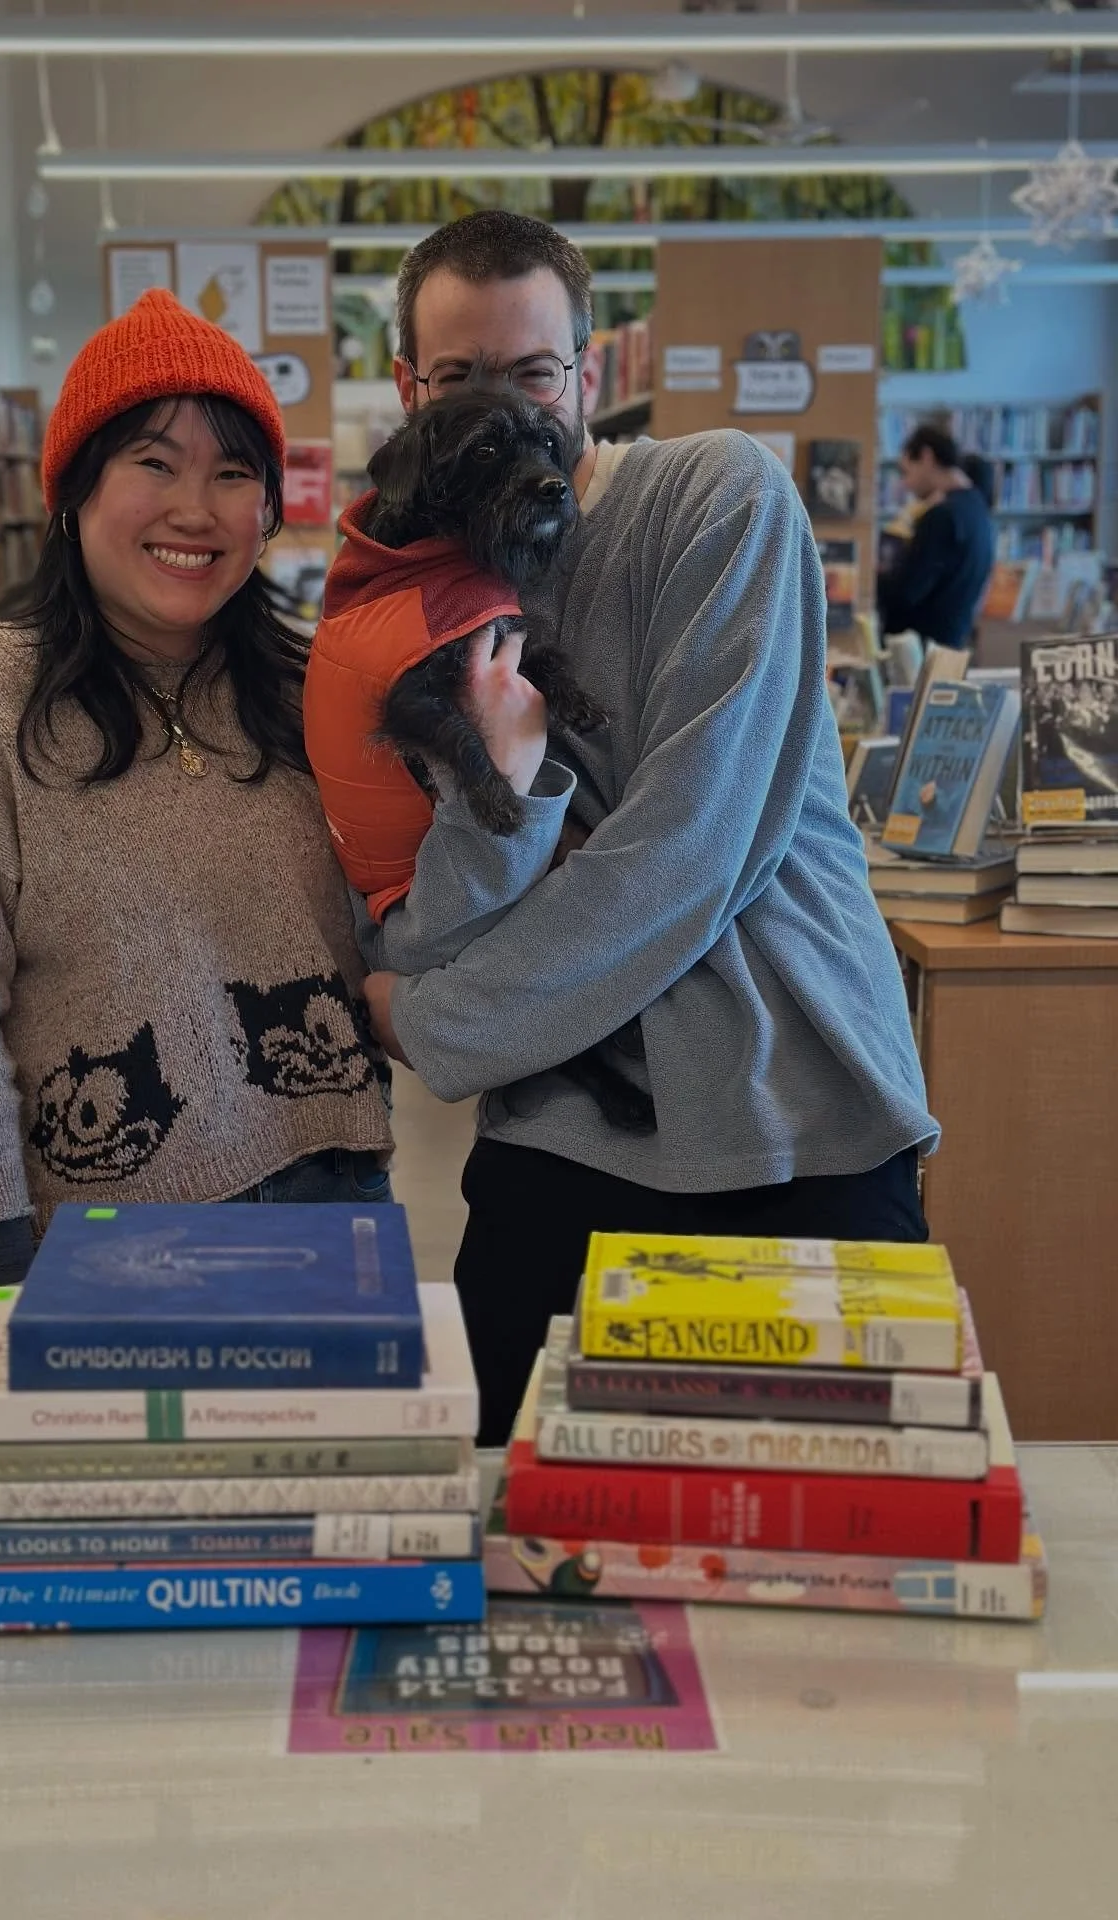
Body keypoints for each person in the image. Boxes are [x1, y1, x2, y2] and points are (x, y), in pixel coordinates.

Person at [355, 210, 938, 1446]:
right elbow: (424, 926)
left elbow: (689, 856)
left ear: (588, 374)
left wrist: (438, 1025)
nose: (499, 411)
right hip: (564, 1132)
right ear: (407, 388)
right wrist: (500, 805)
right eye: (456, 379)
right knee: (509, 1526)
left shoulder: (718, 495)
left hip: (795, 1112)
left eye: (532, 374)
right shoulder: (423, 593)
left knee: (833, 1554)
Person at [0, 290, 394, 1308]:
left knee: (324, 1466)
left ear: (269, 513)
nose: (196, 510)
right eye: (155, 463)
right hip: (100, 1236)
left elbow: (402, 921)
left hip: (337, 1195)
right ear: (73, 491)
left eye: (233, 475)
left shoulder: (312, 693)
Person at [876, 424, 995, 648]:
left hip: (920, 650)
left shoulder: (942, 517)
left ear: (926, 457)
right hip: (952, 643)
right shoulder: (977, 507)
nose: (905, 484)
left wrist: (874, 578)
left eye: (907, 472)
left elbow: (907, 591)